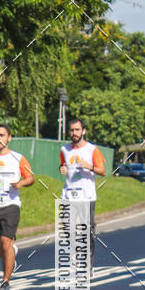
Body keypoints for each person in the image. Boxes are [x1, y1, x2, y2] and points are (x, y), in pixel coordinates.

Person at [0, 123, 34, 290]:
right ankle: (10, 252)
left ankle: (5, 281)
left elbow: (30, 178)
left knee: (5, 242)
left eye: (2, 135)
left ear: (9, 138)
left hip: (10, 205)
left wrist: (19, 183)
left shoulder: (18, 158)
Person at [60, 118, 106, 275]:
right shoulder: (64, 150)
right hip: (68, 194)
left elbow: (103, 170)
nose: (74, 133)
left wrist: (90, 166)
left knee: (88, 231)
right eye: (72, 130)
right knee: (67, 228)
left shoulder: (92, 150)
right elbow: (63, 164)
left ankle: (88, 265)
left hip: (86, 196)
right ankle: (77, 252)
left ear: (83, 131)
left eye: (77, 130)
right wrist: (62, 168)